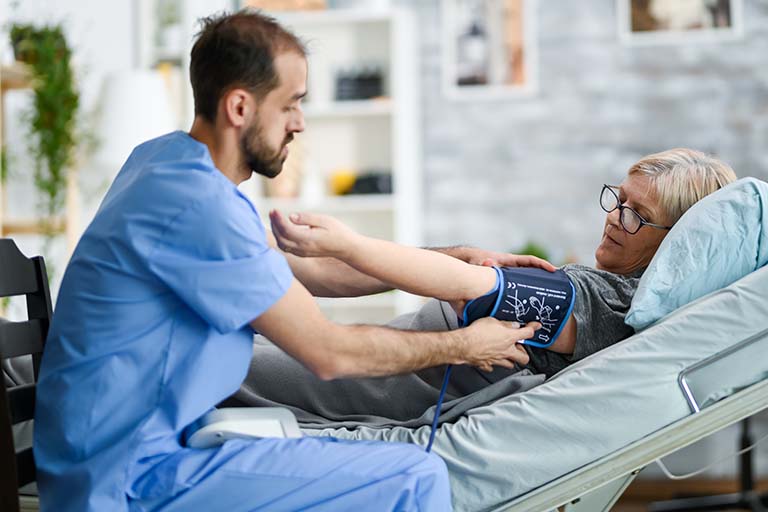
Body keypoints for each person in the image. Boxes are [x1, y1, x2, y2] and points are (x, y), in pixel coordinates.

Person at [33, 10, 545, 512]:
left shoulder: (165, 163)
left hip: (125, 453)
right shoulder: (200, 206)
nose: (300, 123)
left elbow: (311, 271)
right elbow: (330, 353)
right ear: (239, 107)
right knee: (415, 475)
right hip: (126, 479)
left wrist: (449, 262)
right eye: (291, 105)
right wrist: (465, 345)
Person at [227, 148, 737, 424]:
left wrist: (346, 243)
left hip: (401, 377)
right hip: (401, 350)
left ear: (674, 244)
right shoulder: (611, 286)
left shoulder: (608, 303)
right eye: (618, 199)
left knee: (228, 369)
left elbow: (474, 289)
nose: (613, 218)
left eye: (635, 215)